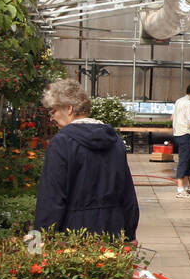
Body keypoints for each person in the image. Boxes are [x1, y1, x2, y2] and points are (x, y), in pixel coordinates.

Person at [34, 79, 139, 242]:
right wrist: (130, 234)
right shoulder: (115, 141)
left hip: (74, 235)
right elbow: (127, 191)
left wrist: (36, 244)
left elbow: (51, 199)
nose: (51, 118)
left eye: (52, 111)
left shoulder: (61, 143)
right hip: (112, 231)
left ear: (69, 108)